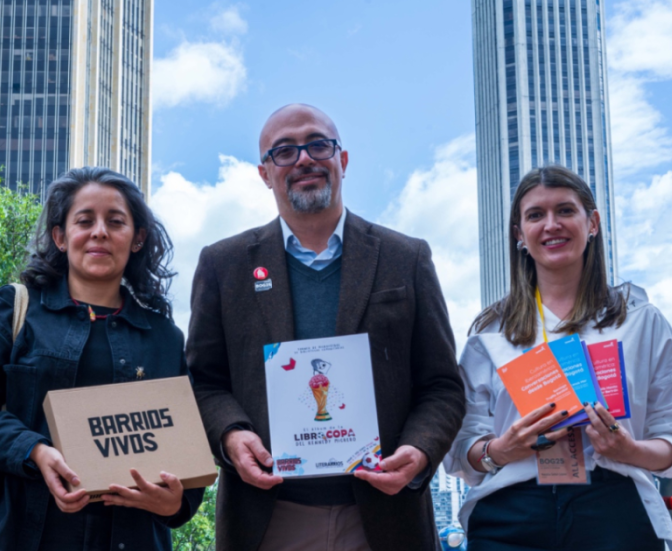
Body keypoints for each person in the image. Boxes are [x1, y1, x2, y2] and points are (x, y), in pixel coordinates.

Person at [187, 103, 465, 551]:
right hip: (269, 519)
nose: (303, 159)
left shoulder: (405, 257)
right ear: (264, 173)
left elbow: (442, 385)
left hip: (383, 518)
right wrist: (231, 433)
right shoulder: (224, 265)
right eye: (284, 151)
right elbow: (203, 380)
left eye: (318, 145)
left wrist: (420, 449)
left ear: (343, 160)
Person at [444, 165, 672, 551]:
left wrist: (630, 451)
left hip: (614, 509)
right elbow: (460, 446)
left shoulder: (641, 322)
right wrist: (500, 449)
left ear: (593, 223)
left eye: (565, 210)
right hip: (511, 515)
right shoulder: (490, 335)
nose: (551, 225)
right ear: (519, 235)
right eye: (535, 215)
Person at [0, 167, 203, 551]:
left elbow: (186, 447)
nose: (100, 231)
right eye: (85, 220)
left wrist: (176, 503)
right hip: (18, 536)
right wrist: (34, 450)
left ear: (137, 239)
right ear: (61, 237)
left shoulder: (165, 337)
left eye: (116, 222)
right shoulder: (14, 309)